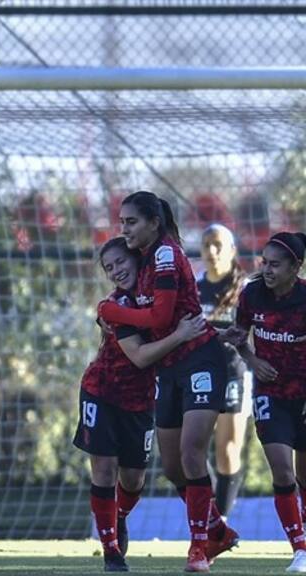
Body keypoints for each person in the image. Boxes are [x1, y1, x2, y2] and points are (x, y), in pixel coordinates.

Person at [97, 191, 238, 572]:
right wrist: (111, 308)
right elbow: (146, 318)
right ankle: (217, 530)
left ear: (153, 223)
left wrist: (111, 309)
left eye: (131, 222)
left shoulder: (163, 254)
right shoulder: (142, 260)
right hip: (168, 368)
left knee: (193, 453)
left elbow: (159, 319)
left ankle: (199, 548)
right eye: (121, 221)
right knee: (174, 468)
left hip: (200, 359)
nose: (123, 228)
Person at [78, 236, 207, 572]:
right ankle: (111, 552)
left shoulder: (161, 300)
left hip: (140, 402)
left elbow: (177, 322)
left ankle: (118, 515)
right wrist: (180, 335)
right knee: (104, 470)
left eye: (121, 262)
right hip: (101, 392)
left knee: (133, 480)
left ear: (137, 260)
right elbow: (138, 357)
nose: (116, 270)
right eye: (109, 267)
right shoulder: (118, 305)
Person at [226, 231, 306, 573]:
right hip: (269, 395)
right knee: (282, 469)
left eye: (275, 264)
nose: (267, 269)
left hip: (303, 396)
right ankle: (300, 549)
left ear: (295, 267)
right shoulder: (252, 294)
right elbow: (238, 336)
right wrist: (252, 359)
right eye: (264, 262)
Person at [197, 224, 251, 518]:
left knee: (227, 448)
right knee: (189, 449)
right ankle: (212, 517)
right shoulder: (193, 288)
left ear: (232, 250)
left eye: (218, 244)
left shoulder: (247, 291)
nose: (211, 251)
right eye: (206, 245)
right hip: (199, 375)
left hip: (235, 373)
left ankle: (221, 520)